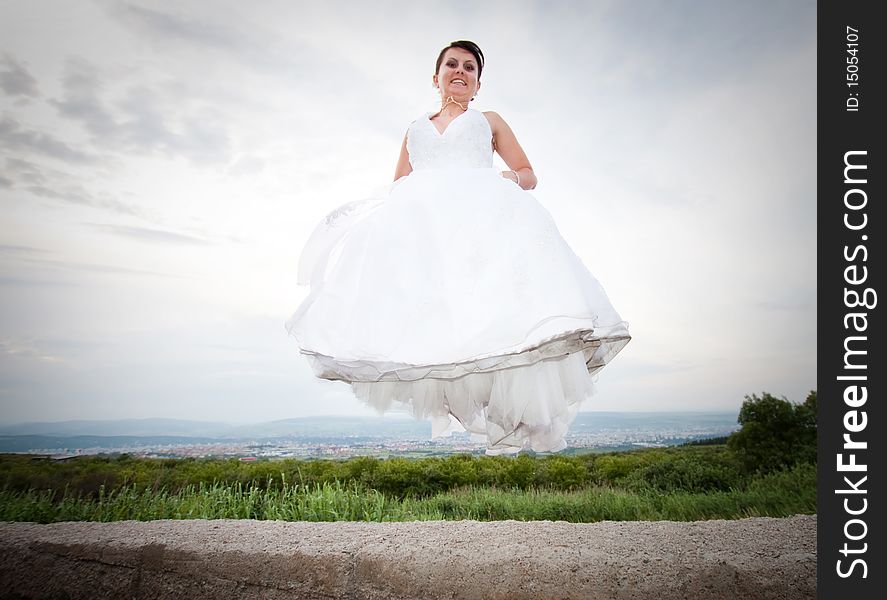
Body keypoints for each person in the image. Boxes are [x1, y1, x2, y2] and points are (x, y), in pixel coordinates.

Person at [286, 40, 630, 455]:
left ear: (478, 83)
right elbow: (400, 186)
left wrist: (499, 182)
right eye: (452, 64)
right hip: (431, 234)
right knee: (439, 321)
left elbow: (528, 174)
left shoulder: (489, 121)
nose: (460, 71)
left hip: (484, 226)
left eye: (469, 67)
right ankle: (459, 394)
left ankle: (513, 409)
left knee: (495, 314)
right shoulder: (415, 129)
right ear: (436, 76)